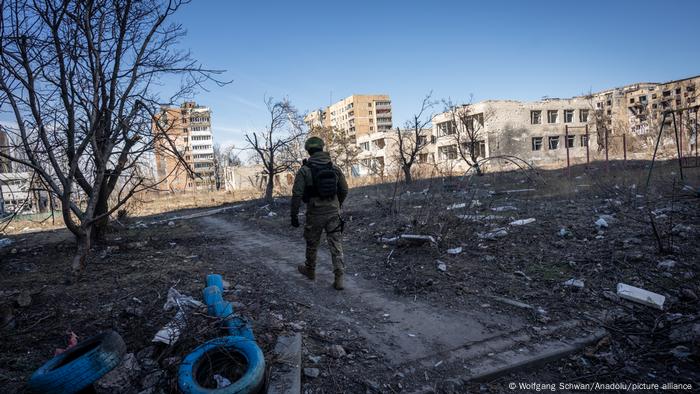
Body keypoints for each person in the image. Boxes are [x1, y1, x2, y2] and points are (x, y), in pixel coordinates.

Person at [290, 136, 348, 290]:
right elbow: (344, 189)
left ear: (308, 151)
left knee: (312, 243)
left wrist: (293, 215)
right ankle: (339, 278)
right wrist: (338, 204)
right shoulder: (334, 168)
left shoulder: (304, 170)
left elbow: (296, 194)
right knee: (336, 244)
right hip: (333, 212)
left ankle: (310, 270)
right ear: (322, 149)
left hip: (315, 212)